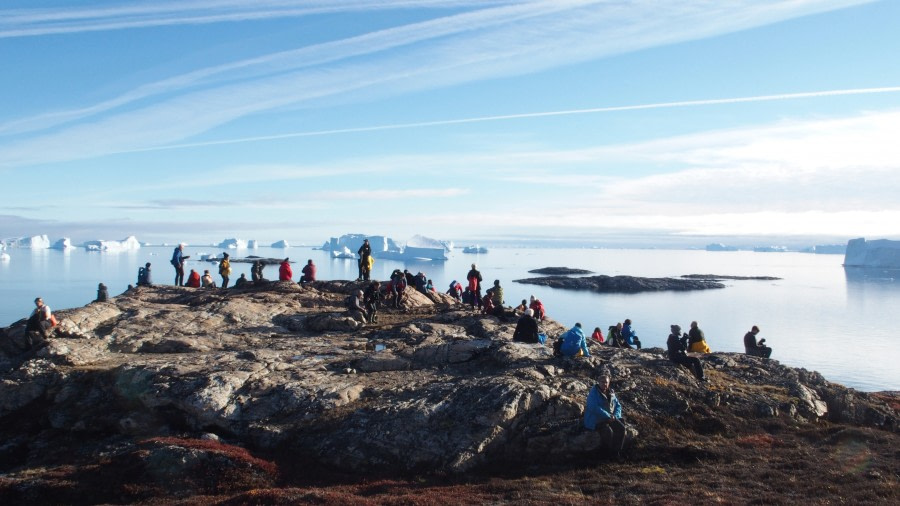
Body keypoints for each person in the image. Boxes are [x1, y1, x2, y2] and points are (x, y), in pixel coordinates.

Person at [583, 374, 626, 455]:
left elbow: (618, 405)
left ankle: (616, 452)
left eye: (606, 382)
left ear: (609, 383)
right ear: (598, 382)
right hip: (596, 420)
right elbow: (594, 407)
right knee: (608, 432)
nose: (604, 384)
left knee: (621, 428)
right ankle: (605, 454)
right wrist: (609, 416)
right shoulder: (593, 393)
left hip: (609, 418)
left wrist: (615, 416)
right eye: (602, 382)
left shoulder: (611, 393)